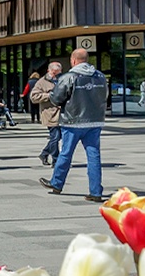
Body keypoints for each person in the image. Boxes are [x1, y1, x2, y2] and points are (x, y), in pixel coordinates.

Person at [40, 48, 107, 201]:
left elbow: (56, 98)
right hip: (95, 121)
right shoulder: (100, 77)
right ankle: (96, 192)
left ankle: (57, 183)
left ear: (73, 60)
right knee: (94, 156)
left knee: (66, 153)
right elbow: (105, 96)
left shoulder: (69, 77)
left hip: (73, 120)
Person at [30, 61, 63, 166]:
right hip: (50, 113)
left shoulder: (63, 80)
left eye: (58, 73)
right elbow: (33, 97)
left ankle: (44, 153)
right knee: (55, 137)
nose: (56, 75)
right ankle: (56, 159)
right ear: (49, 71)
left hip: (62, 114)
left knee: (58, 137)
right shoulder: (41, 82)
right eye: (54, 73)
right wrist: (49, 96)